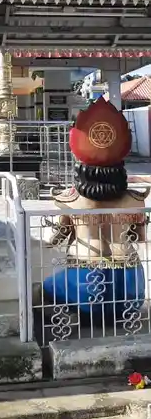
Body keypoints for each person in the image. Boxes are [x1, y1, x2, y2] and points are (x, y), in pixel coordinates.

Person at [43, 97, 149, 324]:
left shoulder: (70, 201)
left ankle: (60, 324)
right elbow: (140, 238)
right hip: (130, 288)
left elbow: (53, 240)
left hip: (86, 284)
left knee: (40, 290)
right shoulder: (134, 201)